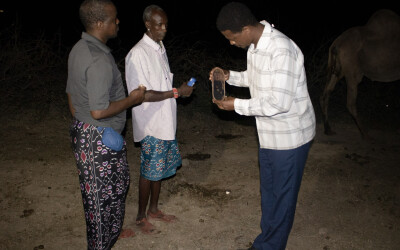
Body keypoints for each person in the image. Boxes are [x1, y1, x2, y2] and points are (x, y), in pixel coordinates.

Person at [211, 2, 316, 250]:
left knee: (282, 197)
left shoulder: (282, 49)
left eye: (232, 37)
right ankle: (267, 239)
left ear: (246, 28)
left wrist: (235, 104)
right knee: (270, 193)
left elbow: (278, 103)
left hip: (290, 138)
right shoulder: (255, 46)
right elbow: (254, 77)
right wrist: (229, 75)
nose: (231, 43)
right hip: (268, 135)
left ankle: (269, 246)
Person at [66, 0, 146, 248]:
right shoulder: (98, 59)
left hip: (87, 132)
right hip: (98, 139)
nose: (117, 22)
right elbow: (99, 110)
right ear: (100, 23)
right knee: (102, 202)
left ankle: (112, 232)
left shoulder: (79, 49)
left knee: (112, 190)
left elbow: (71, 95)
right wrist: (132, 100)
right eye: (114, 18)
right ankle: (102, 241)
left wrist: (83, 122)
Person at [125, 4, 194, 235]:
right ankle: (140, 216)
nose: (164, 28)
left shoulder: (159, 47)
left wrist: (179, 90)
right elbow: (141, 95)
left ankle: (154, 210)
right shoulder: (137, 54)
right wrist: (176, 92)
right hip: (151, 123)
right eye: (159, 24)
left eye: (165, 24)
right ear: (147, 24)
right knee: (148, 171)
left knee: (159, 169)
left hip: (165, 121)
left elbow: (162, 84)